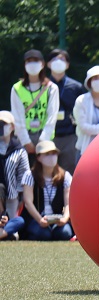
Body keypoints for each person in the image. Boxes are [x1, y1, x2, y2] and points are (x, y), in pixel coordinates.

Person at [10, 49, 59, 167]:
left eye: (36, 61)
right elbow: (17, 117)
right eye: (29, 61)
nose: (32, 64)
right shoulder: (17, 89)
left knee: (45, 174)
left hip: (45, 137)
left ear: (42, 64)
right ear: (25, 65)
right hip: (23, 137)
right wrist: (26, 142)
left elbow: (52, 116)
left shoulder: (51, 88)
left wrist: (43, 141)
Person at [21, 141, 73, 240]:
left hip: (57, 219)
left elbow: (68, 203)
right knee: (43, 235)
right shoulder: (30, 175)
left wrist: (65, 218)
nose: (52, 157)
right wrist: (40, 220)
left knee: (64, 233)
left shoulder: (65, 176)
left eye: (54, 153)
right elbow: (28, 202)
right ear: (38, 157)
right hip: (36, 219)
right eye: (47, 154)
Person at [47, 49, 84, 175]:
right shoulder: (43, 86)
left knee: (69, 172)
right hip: (48, 136)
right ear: (48, 64)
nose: (58, 62)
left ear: (68, 64)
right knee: (47, 173)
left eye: (62, 59)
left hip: (69, 135)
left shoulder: (76, 87)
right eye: (54, 59)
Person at [0, 111, 28, 240]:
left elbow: (24, 174)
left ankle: (5, 232)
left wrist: (19, 193)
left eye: (3, 123)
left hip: (13, 196)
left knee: (17, 221)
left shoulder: (19, 150)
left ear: (12, 127)